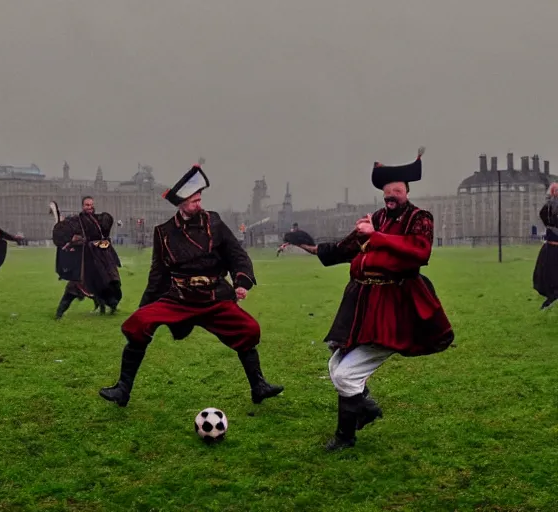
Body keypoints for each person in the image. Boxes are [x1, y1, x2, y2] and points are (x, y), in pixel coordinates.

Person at [292, 147, 454, 451]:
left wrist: (375, 236)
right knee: (335, 367)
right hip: (363, 304)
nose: (390, 195)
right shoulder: (376, 218)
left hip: (395, 307)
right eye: (386, 191)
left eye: (396, 190)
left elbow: (419, 251)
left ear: (406, 191)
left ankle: (345, 437)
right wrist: (310, 248)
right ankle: (365, 408)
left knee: (346, 374)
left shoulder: (421, 218)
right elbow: (347, 247)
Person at [99, 161, 284, 409]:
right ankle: (123, 389)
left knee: (249, 329)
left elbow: (236, 253)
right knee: (138, 324)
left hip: (214, 296)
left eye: (199, 199)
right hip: (179, 298)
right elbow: (158, 274)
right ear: (182, 204)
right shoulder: (164, 232)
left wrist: (241, 281)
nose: (199, 204)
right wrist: (145, 307)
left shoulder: (214, 222)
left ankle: (258, 386)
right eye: (194, 200)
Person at [54, 197, 122, 318]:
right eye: (87, 205)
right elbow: (68, 235)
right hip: (85, 261)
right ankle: (60, 312)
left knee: (106, 283)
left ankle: (111, 306)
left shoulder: (98, 220)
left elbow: (104, 235)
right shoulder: (77, 221)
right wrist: (72, 238)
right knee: (74, 286)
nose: (89, 207)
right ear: (82, 206)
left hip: (100, 260)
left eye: (91, 205)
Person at [534, 183, 558, 309]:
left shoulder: (548, 207)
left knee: (551, 275)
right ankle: (552, 297)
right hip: (552, 247)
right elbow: (543, 215)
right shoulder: (549, 207)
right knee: (551, 275)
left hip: (552, 247)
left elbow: (543, 215)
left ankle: (552, 296)